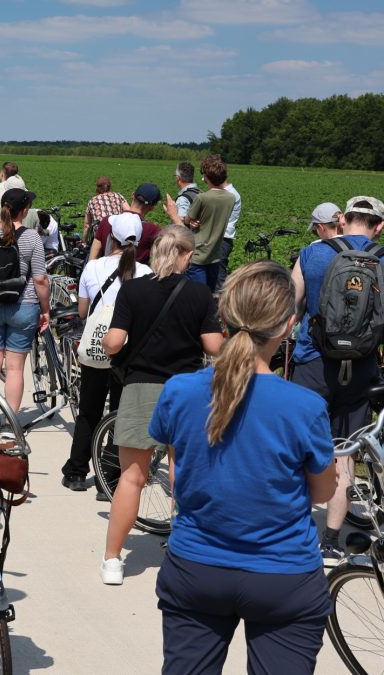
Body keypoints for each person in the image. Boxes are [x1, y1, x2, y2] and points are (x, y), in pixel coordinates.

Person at [150, 261, 336, 674]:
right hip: (283, 575)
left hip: (196, 568)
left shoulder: (179, 391)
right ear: (288, 326)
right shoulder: (305, 408)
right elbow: (322, 493)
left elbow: (178, 474)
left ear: (224, 314)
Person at [100, 224, 224, 585]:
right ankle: (184, 553)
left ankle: (112, 560)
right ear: (186, 255)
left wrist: (115, 341)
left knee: (132, 477)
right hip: (187, 390)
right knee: (181, 472)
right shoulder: (200, 295)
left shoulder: (133, 290)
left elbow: (114, 342)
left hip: (141, 387)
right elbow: (214, 347)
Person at [291, 195, 384, 565]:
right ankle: (330, 543)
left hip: (313, 364)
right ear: (379, 226)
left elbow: (289, 308)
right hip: (361, 370)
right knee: (343, 457)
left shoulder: (312, 255)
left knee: (295, 452)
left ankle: (291, 533)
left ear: (342, 219)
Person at [61, 213, 152, 494]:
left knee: (89, 408)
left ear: (111, 237)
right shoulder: (146, 274)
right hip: (129, 352)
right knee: (120, 412)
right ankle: (109, 477)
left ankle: (77, 470)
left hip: (99, 346)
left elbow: (81, 311)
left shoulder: (93, 268)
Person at [0, 188, 50, 417]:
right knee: (14, 368)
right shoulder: (32, 237)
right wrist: (45, 310)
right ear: (24, 211)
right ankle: (10, 423)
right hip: (23, 306)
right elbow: (40, 279)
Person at [163, 154, 236, 292]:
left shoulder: (202, 198)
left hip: (197, 255)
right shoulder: (231, 198)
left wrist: (175, 214)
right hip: (214, 255)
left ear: (207, 177)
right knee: (209, 294)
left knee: (194, 295)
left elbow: (187, 220)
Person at [89, 184, 163, 264]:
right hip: (136, 275)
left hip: (106, 274)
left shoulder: (107, 221)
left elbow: (92, 258)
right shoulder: (152, 230)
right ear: (152, 207)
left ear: (132, 195)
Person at [84, 176, 129, 244]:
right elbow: (129, 212)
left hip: (100, 238)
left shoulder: (92, 201)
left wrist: (84, 242)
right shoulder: (119, 196)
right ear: (110, 187)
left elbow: (87, 225)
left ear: (97, 188)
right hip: (118, 235)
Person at [215, 176, 242, 290]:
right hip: (221, 238)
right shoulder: (226, 194)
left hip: (222, 239)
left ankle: (222, 304)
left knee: (219, 277)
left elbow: (216, 218)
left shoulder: (228, 195)